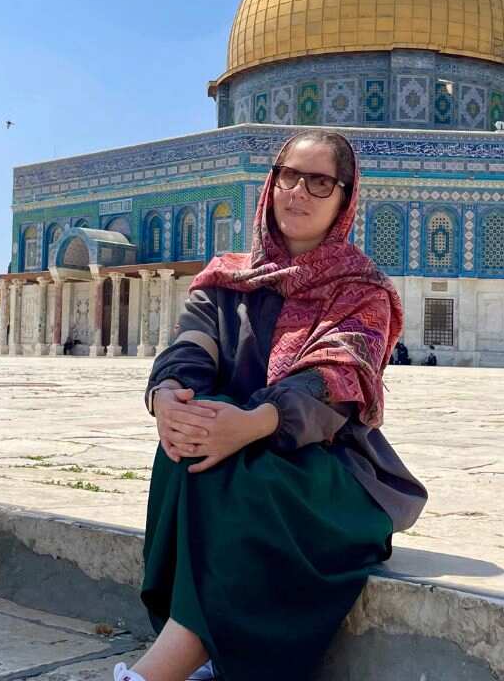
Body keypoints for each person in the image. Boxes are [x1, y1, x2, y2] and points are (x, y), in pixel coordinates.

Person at [122, 130, 427, 681]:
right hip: (234, 454)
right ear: (271, 183)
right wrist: (167, 399)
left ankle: (159, 672)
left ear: (344, 198)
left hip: (330, 472)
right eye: (289, 175)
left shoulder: (362, 291)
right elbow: (189, 350)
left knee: (241, 472)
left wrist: (255, 423)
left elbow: (333, 382)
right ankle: (194, 659)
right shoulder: (225, 280)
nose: (299, 192)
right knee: (189, 446)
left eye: (319, 182)